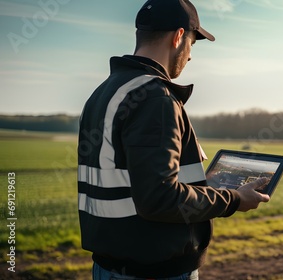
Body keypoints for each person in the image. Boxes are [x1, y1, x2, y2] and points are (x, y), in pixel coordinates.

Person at [77, 0, 270, 279]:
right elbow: (159, 198)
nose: (190, 55)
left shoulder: (105, 91)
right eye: (192, 42)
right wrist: (235, 199)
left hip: (111, 266)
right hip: (154, 272)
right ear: (179, 37)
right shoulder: (154, 97)